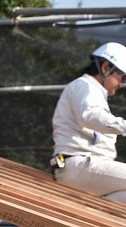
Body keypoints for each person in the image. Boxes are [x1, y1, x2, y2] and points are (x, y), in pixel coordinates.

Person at [51, 42, 126, 202]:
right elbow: (90, 115)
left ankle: (103, 215)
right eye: (122, 76)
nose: (121, 84)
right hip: (76, 163)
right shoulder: (84, 86)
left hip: (80, 166)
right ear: (105, 68)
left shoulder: (93, 92)